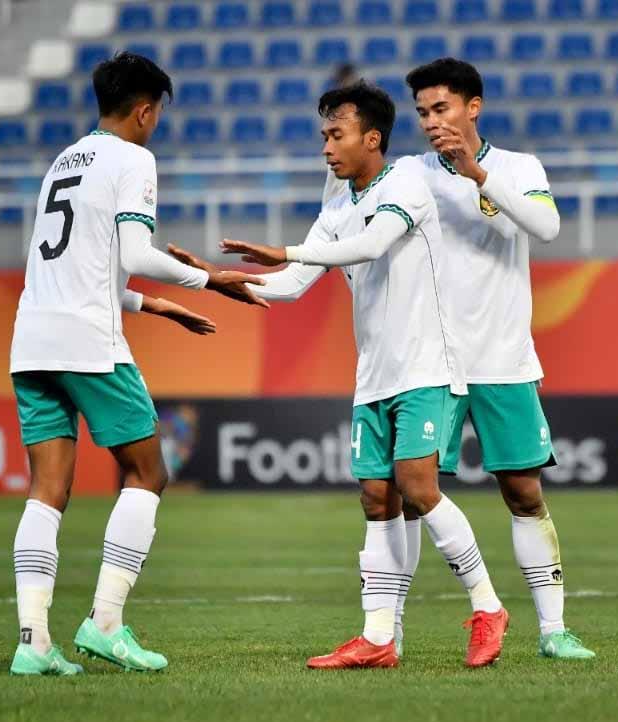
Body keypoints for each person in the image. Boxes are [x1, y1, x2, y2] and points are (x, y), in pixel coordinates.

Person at [177, 81, 510, 669]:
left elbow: (372, 245)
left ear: (372, 138)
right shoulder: (335, 206)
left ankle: (488, 606)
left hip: (426, 366)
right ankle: (378, 637)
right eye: (324, 136)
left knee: (417, 487)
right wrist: (214, 280)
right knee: (377, 498)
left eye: (337, 135)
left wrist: (288, 250)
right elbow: (291, 285)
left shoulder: (405, 182)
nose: (327, 148)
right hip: (374, 374)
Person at [6, 51, 267, 676]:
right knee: (148, 472)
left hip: (31, 340)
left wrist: (156, 306)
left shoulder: (63, 162)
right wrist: (210, 278)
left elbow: (75, 270)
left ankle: (33, 644)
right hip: (87, 343)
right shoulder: (133, 159)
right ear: (145, 111)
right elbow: (136, 253)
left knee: (47, 491)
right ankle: (105, 624)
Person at [349, 57, 592, 661]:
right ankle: (388, 633)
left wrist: (476, 173)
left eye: (442, 108)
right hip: (431, 364)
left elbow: (546, 227)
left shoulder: (517, 168)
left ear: (473, 107)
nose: (431, 121)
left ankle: (553, 630)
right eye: (423, 112)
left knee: (523, 492)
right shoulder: (409, 174)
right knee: (407, 496)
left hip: (504, 360)